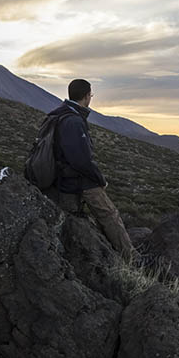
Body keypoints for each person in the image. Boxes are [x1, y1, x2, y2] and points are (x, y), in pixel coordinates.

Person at [45, 78, 135, 261]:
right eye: (90, 95)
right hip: (77, 179)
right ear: (86, 96)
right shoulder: (73, 120)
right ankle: (132, 258)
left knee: (74, 219)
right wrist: (100, 179)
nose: (90, 98)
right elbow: (81, 160)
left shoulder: (59, 114)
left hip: (62, 179)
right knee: (109, 214)